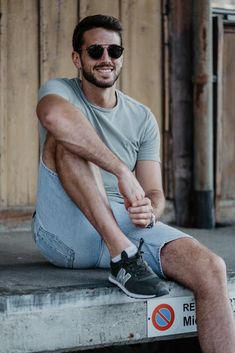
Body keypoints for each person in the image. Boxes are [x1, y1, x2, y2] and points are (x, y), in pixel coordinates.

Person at [33, 14, 235, 353]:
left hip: (127, 226)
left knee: (211, 268)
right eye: (95, 51)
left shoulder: (141, 117)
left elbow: (155, 193)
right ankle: (122, 256)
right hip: (69, 228)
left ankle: (124, 255)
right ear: (77, 59)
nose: (106, 59)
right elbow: (53, 117)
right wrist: (123, 173)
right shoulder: (59, 91)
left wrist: (148, 209)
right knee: (63, 139)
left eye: (114, 50)